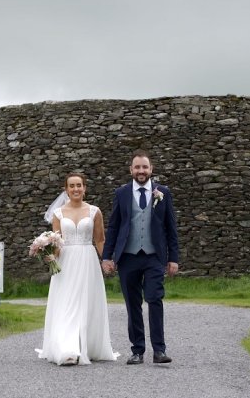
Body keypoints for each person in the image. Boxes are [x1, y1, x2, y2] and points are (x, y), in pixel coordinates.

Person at [101, 150, 180, 365]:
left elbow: (170, 227)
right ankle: (137, 350)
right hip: (128, 257)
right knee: (132, 304)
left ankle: (159, 350)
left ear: (151, 169)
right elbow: (115, 226)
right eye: (137, 167)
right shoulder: (122, 193)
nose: (141, 171)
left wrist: (173, 258)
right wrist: (107, 256)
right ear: (131, 170)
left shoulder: (162, 192)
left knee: (154, 298)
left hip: (154, 256)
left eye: (145, 167)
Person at [36, 172, 120, 366]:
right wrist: (48, 252)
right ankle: (67, 348)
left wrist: (106, 260)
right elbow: (57, 242)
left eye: (79, 185)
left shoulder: (94, 212)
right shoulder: (58, 214)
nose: (75, 189)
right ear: (66, 189)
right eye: (72, 186)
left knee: (86, 302)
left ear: (84, 188)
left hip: (88, 259)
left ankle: (87, 345)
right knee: (67, 303)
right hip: (66, 262)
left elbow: (100, 240)